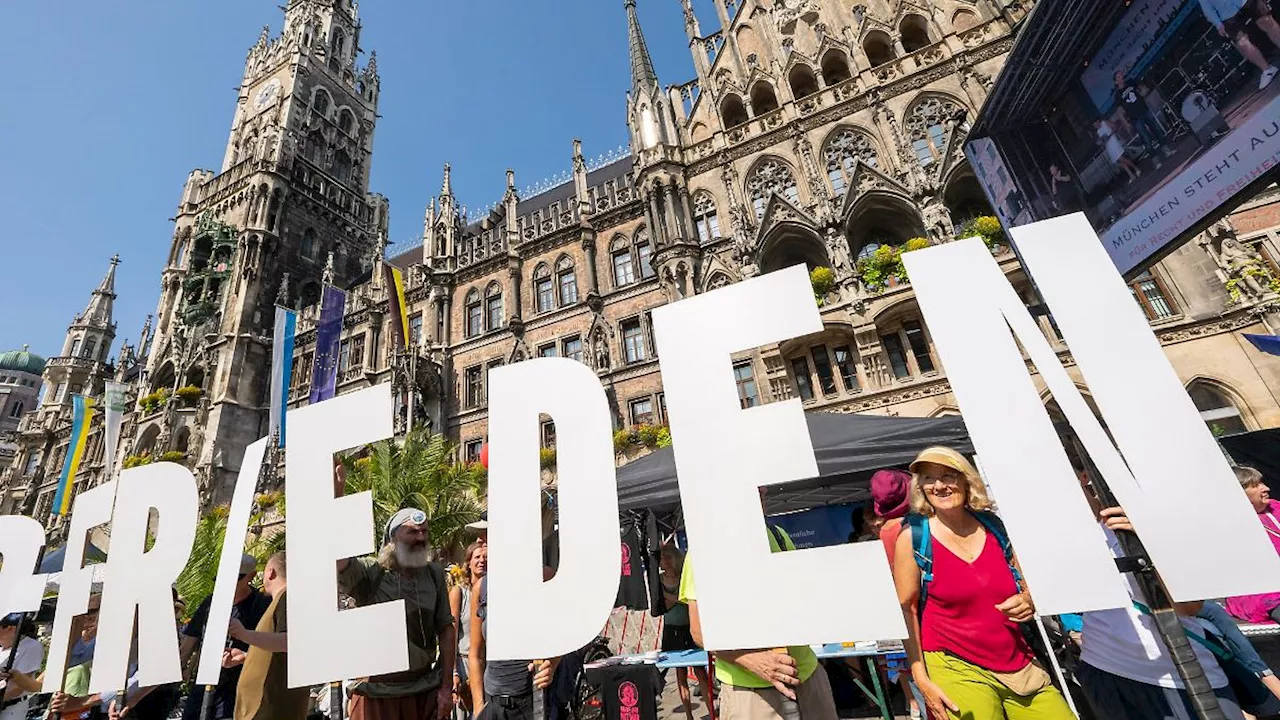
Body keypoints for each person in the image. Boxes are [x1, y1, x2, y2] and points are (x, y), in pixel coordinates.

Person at [893, 446, 1074, 720]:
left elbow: (1028, 583)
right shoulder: (913, 537)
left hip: (1017, 659)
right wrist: (920, 676)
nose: (939, 486)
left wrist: (1028, 600)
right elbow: (907, 609)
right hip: (953, 663)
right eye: (929, 478)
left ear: (966, 480)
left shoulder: (993, 526)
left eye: (948, 476)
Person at [680, 487, 839, 720]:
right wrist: (753, 661)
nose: (761, 492)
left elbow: (801, 597)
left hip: (807, 676)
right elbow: (700, 631)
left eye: (761, 487)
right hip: (751, 691)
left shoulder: (777, 535)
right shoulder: (705, 549)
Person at [334, 457, 455, 720]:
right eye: (412, 532)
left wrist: (446, 687)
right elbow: (338, 558)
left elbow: (446, 630)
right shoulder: (371, 571)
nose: (421, 538)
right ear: (393, 537)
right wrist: (337, 497)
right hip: (376, 694)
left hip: (423, 690)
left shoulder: (434, 574)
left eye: (424, 532)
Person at [180, 553, 272, 720]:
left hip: (239, 689)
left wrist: (245, 654)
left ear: (251, 577)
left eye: (236, 578)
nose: (229, 584)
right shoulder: (211, 603)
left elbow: (271, 647)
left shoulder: (261, 605)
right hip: (203, 685)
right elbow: (189, 641)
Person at [870, 468, 924, 720]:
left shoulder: (884, 533)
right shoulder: (917, 527)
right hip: (924, 610)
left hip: (901, 612)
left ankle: (915, 707)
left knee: (909, 666)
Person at [228, 552, 308, 720]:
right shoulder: (282, 600)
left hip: (271, 706)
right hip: (264, 706)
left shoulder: (287, 598)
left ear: (270, 572)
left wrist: (244, 634)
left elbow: (290, 642)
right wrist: (248, 657)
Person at [468, 572, 558, 720]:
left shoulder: (544, 576)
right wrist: (479, 708)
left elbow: (565, 631)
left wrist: (553, 664)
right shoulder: (482, 586)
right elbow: (475, 654)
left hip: (531, 702)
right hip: (492, 703)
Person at [659, 544, 710, 720]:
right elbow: (662, 606)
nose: (664, 561)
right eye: (662, 557)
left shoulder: (684, 576)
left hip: (690, 629)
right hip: (672, 631)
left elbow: (691, 602)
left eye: (667, 557)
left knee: (701, 673)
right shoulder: (659, 580)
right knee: (680, 675)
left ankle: (712, 713)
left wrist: (674, 598)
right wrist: (681, 599)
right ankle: (689, 716)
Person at [1225, 466, 1280, 624]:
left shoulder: (1276, 508)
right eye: (1256, 485)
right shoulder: (1232, 524)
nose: (1266, 488)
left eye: (1262, 483)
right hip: (1262, 591)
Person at [1197, 0, 1280, 89]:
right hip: (1227, 13)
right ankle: (1267, 70)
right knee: (1242, 43)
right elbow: (1207, 8)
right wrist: (1218, 24)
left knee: (1267, 22)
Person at [452, 541, 487, 718]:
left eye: (486, 558)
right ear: (469, 562)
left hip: (486, 667)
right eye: (477, 557)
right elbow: (450, 634)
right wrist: (453, 673)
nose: (482, 561)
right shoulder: (460, 592)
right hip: (464, 665)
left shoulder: (491, 593)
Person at [1112, 72, 1176, 167]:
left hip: (1145, 110)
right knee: (1146, 139)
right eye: (1119, 76)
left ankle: (1166, 151)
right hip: (1135, 118)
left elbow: (1142, 88)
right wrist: (1126, 123)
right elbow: (1119, 111)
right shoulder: (1117, 95)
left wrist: (1142, 93)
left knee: (1157, 130)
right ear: (1116, 81)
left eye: (1121, 74)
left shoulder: (1130, 82)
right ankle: (1156, 161)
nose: (1121, 77)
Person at [0, 612, 44, 720]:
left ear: (10, 628)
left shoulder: (31, 647)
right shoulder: (2, 647)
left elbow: (19, 687)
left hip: (10, 710)